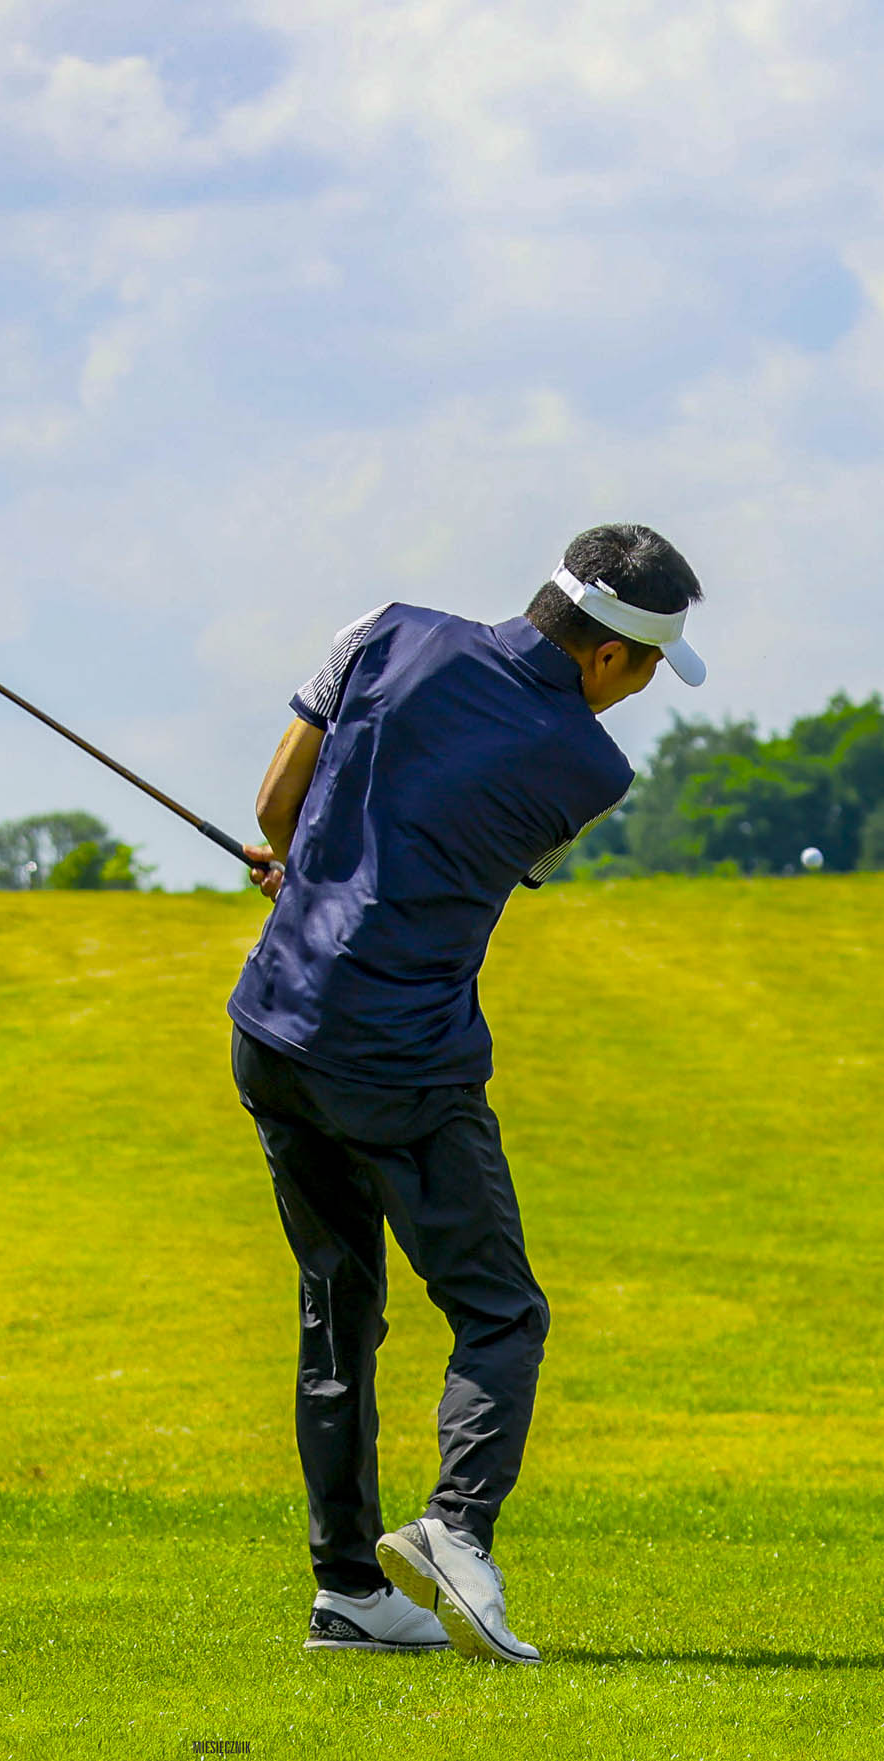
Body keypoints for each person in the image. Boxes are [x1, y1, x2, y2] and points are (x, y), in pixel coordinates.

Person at [225, 526, 706, 1664]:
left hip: (275, 1029)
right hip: (405, 1064)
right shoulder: (592, 773)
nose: (639, 691)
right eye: (646, 669)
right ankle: (456, 1524)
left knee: (337, 1310)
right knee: (500, 1312)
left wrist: (310, 874)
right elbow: (469, 863)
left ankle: (350, 1591)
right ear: (608, 655)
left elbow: (280, 806)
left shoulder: (382, 632)